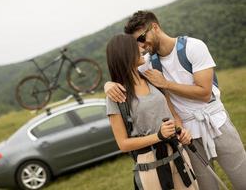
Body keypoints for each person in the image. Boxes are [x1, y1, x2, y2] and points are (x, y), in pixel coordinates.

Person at [104, 10, 246, 190]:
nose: (141, 46)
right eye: (135, 43)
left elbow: (204, 93)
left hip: (216, 123)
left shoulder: (193, 47)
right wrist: (108, 85)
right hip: (187, 134)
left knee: (242, 178)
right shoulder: (146, 63)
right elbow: (123, 68)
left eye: (141, 38)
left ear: (154, 27)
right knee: (206, 186)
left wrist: (166, 84)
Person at [106, 34, 198, 189]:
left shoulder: (153, 78)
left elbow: (173, 115)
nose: (142, 47)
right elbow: (123, 144)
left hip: (178, 153)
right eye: (136, 46)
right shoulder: (116, 94)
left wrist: (182, 131)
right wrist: (158, 136)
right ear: (126, 53)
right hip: (151, 165)